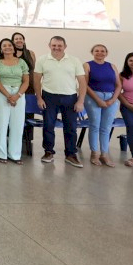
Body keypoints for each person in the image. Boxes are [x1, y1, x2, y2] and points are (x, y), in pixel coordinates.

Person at [33, 36, 87, 168]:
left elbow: (82, 82)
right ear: (49, 45)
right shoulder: (42, 60)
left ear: (65, 46)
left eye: (59, 46)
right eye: (54, 45)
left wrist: (80, 101)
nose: (56, 48)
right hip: (49, 97)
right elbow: (36, 80)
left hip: (70, 97)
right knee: (48, 126)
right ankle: (48, 152)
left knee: (71, 127)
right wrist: (39, 98)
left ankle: (71, 154)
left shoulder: (74, 60)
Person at [0, 38, 30, 164]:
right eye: (4, 45)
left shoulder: (21, 62)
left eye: (10, 45)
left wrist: (17, 95)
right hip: (2, 93)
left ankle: (15, 155)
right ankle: (2, 154)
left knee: (17, 125)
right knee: (1, 124)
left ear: (14, 47)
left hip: (19, 94)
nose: (7, 47)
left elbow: (26, 81)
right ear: (1, 49)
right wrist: (8, 95)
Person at [82, 45, 121, 167]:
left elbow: (118, 85)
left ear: (106, 53)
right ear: (92, 52)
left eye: (102, 51)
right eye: (97, 51)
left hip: (111, 98)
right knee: (95, 125)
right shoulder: (87, 65)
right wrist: (98, 100)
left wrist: (113, 99)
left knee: (106, 127)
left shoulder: (112, 66)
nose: (100, 53)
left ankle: (104, 154)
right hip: (93, 97)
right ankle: (94, 153)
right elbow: (85, 84)